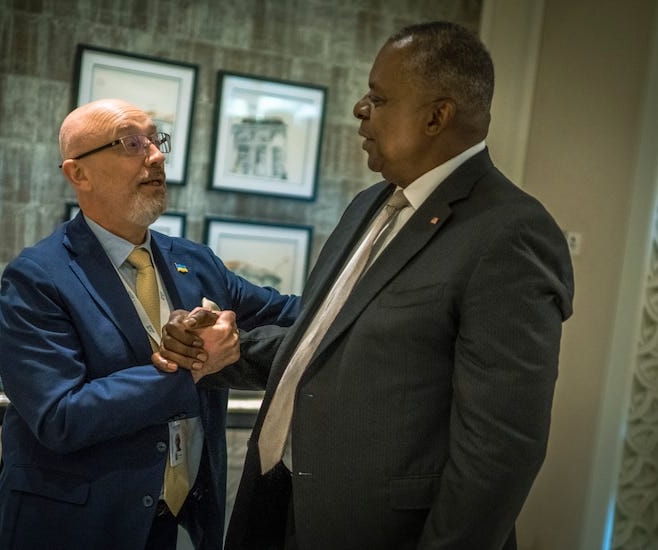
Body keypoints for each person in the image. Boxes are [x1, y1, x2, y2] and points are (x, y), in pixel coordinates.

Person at [156, 22, 574, 550]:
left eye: (378, 98)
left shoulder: (511, 234)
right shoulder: (369, 207)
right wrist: (220, 352)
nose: (359, 109)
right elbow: (324, 344)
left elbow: (501, 450)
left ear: (436, 116)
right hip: (281, 506)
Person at [0, 98, 299, 550]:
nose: (155, 156)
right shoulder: (38, 276)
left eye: (156, 141)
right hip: (75, 525)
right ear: (78, 174)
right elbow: (61, 418)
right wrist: (194, 366)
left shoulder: (196, 262)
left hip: (176, 523)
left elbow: (292, 313)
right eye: (131, 143)